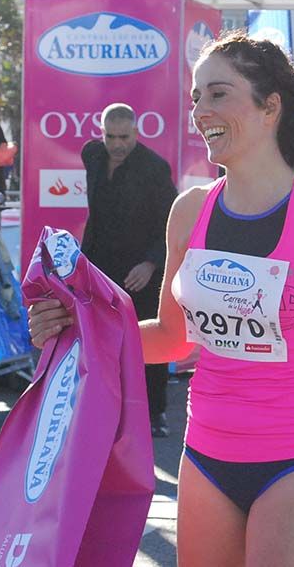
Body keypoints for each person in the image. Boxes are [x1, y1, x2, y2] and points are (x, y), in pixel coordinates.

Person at [28, 32, 294, 563]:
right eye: (196, 96)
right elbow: (173, 339)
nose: (201, 110)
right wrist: (76, 328)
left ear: (270, 106)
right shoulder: (189, 211)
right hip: (204, 455)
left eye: (219, 93)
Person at [81, 102, 178, 438]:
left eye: (124, 137)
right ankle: (108, 409)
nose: (117, 144)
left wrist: (151, 263)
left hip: (141, 274)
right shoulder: (92, 155)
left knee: (147, 343)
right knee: (103, 343)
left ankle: (155, 413)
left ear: (136, 133)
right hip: (100, 269)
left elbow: (171, 223)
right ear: (102, 134)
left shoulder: (155, 168)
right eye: (110, 137)